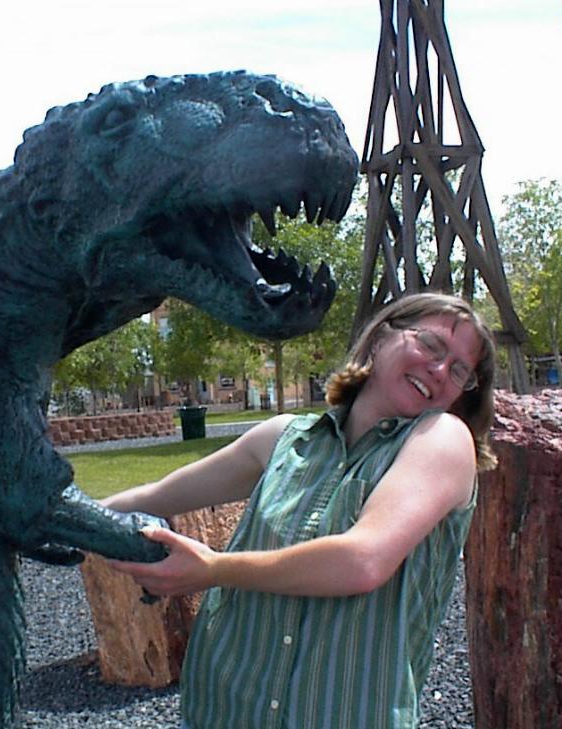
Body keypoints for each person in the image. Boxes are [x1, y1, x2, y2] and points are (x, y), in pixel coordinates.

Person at [102, 293, 497, 729]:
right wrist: (63, 514)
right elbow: (155, 497)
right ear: (381, 337)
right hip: (223, 709)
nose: (439, 370)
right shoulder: (284, 438)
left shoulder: (444, 440)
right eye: (431, 345)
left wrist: (213, 569)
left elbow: (362, 561)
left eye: (458, 370)